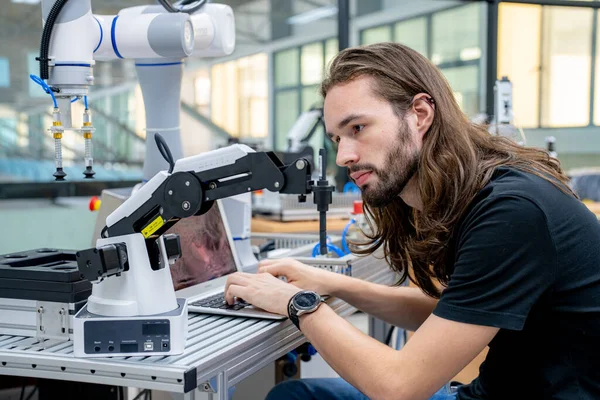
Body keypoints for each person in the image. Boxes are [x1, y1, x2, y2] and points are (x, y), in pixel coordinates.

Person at [224, 42, 600, 399]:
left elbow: (399, 387)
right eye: (337, 139)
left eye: (357, 128)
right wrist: (332, 283)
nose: (344, 156)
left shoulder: (512, 212)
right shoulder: (481, 193)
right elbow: (449, 313)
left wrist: (299, 303)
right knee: (298, 394)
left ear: (420, 114)